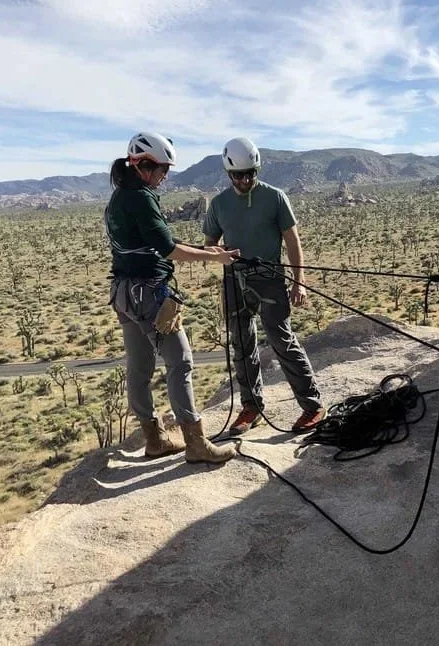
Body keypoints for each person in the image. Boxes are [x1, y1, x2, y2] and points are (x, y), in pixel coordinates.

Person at [106, 131, 239, 463]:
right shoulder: (141, 196)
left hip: (124, 292)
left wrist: (205, 248)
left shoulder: (119, 196)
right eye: (162, 170)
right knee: (180, 362)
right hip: (149, 294)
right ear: (144, 165)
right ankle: (196, 443)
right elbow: (167, 249)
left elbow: (157, 237)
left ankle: (155, 439)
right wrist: (215, 258)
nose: (164, 177)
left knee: (139, 367)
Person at [203, 136, 327, 435]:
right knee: (242, 345)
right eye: (239, 175)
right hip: (235, 280)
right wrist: (221, 255)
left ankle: (313, 406)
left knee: (281, 339)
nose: (245, 180)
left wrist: (300, 282)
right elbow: (209, 244)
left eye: (251, 173)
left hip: (270, 278)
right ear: (228, 173)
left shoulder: (275, 197)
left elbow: (292, 241)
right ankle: (251, 407)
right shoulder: (219, 204)